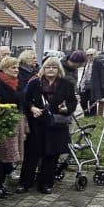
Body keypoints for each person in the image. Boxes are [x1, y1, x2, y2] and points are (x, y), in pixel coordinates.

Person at [18, 57, 77, 194]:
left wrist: (66, 109)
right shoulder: (34, 83)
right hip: (36, 125)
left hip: (55, 125)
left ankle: (46, 183)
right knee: (31, 155)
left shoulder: (66, 84)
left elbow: (72, 103)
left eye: (54, 67)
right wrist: (32, 108)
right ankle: (24, 183)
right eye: (48, 67)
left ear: (59, 70)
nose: (51, 69)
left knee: (51, 156)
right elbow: (24, 100)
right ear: (43, 69)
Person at [0, 57, 27, 198]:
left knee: (10, 157)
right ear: (4, 69)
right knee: (1, 157)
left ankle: (1, 184)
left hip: (15, 122)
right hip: (2, 122)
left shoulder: (18, 82)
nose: (16, 70)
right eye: (13, 68)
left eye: (17, 68)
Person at [78, 48, 104, 116]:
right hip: (85, 85)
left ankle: (92, 116)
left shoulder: (98, 63)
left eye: (91, 55)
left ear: (95, 55)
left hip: (94, 86)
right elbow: (84, 74)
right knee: (83, 101)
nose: (89, 56)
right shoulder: (86, 63)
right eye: (87, 55)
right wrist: (80, 84)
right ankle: (86, 114)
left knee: (93, 102)